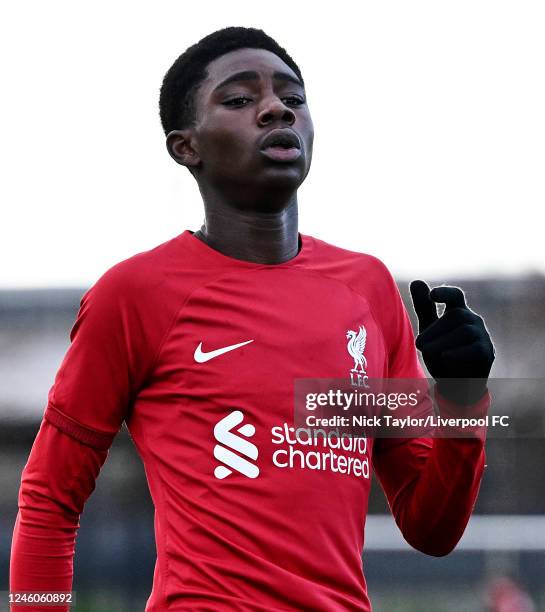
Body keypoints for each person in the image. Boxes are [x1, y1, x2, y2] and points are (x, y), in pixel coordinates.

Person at [10, 26, 495, 611]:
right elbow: (49, 502)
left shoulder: (367, 291)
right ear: (185, 146)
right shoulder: (134, 295)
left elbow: (431, 528)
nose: (275, 110)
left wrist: (463, 397)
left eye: (292, 98)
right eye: (240, 100)